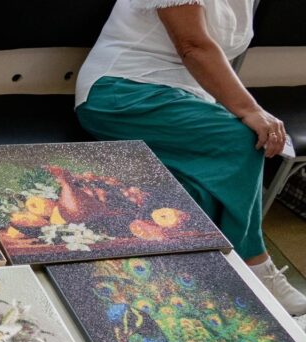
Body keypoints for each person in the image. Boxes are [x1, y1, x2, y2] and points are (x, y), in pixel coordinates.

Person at [75, 0, 306, 320]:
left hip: (186, 99)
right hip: (122, 89)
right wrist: (251, 110)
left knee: (202, 190)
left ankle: (206, 281)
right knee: (242, 139)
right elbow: (193, 46)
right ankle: (254, 264)